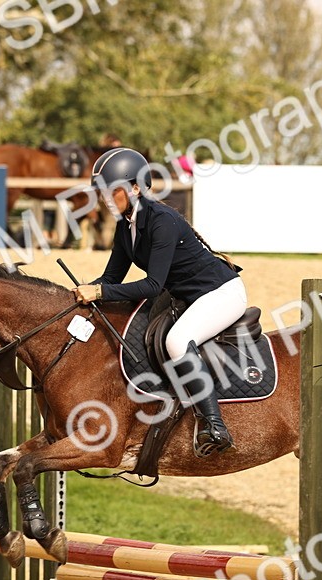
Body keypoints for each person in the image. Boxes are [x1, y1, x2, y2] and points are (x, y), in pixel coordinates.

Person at [74, 148, 246, 457]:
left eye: (111, 191)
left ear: (136, 188)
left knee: (178, 342)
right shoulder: (125, 227)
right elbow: (112, 277)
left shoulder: (161, 221)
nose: (104, 199)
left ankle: (216, 426)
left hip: (221, 293)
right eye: (101, 193)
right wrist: (78, 294)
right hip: (186, 296)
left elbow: (153, 285)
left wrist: (98, 294)